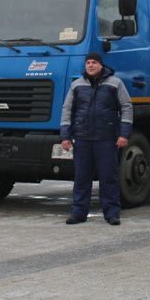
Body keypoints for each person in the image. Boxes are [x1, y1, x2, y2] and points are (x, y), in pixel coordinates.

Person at [59, 52, 133, 226]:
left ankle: (112, 213)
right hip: (83, 139)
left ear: (101, 65)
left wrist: (124, 134)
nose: (90, 66)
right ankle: (78, 213)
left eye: (94, 62)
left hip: (106, 138)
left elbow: (126, 107)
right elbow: (67, 109)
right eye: (88, 63)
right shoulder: (77, 85)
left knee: (108, 177)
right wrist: (65, 136)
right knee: (81, 178)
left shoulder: (115, 83)